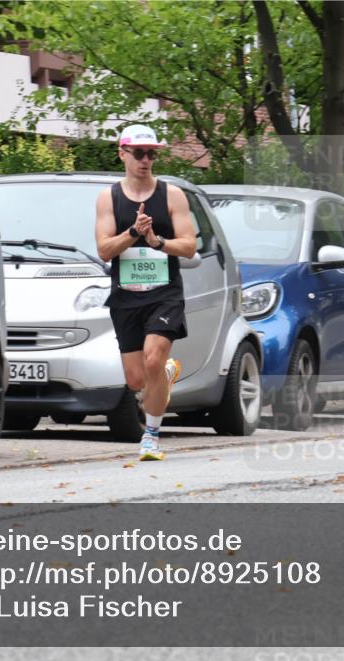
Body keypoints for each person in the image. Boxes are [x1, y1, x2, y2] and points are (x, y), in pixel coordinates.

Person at [95, 124, 197, 460]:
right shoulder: (108, 198)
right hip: (126, 295)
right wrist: (133, 233)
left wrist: (157, 242)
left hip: (164, 293)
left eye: (151, 154)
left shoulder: (172, 195)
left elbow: (189, 246)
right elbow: (104, 250)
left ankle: (150, 437)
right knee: (137, 380)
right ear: (122, 153)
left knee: (154, 357)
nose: (145, 160)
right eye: (138, 153)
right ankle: (165, 373)